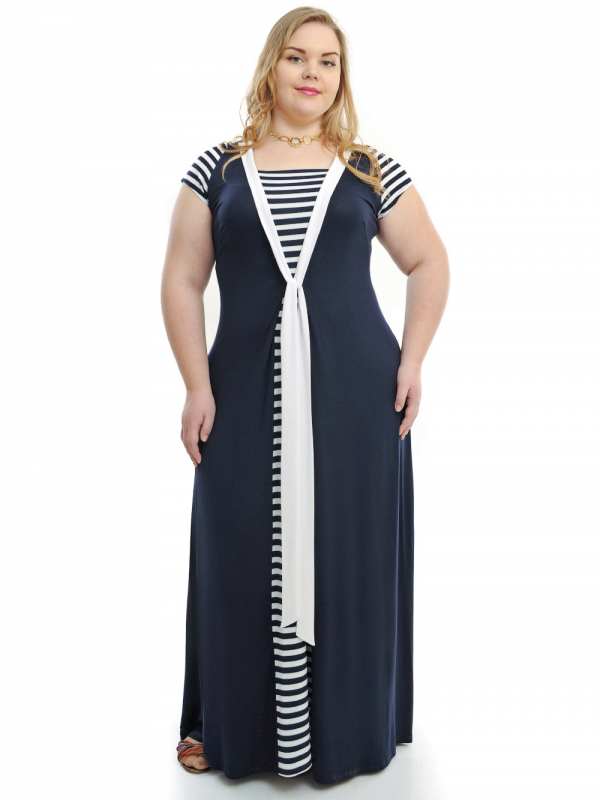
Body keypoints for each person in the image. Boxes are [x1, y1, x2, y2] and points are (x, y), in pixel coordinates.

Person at [161, 7, 449, 785]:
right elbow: (182, 279)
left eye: (328, 61)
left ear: (341, 77)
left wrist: (413, 360)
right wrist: (195, 384)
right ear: (271, 67)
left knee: (348, 551)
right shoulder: (217, 169)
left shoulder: (368, 168)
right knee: (237, 544)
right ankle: (233, 727)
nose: (313, 73)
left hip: (357, 396)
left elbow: (429, 261)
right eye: (297, 57)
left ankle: (348, 730)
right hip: (240, 391)